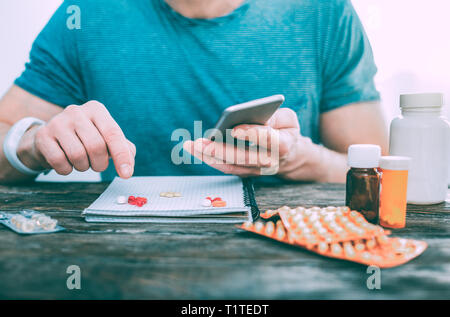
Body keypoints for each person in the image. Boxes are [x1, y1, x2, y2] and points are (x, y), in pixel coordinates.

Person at [0, 0, 387, 184]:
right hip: (128, 264)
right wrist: (33, 143)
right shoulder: (86, 14)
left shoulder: (323, 11)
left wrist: (299, 158)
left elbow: (383, 176)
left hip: (293, 263)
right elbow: (7, 137)